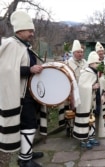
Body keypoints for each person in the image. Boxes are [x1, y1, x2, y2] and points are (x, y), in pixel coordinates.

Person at [0, 10, 44, 167]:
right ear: (19, 30)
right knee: (28, 123)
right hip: (20, 94)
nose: (32, 33)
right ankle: (24, 160)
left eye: (32, 30)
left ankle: (28, 153)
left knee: (31, 123)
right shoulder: (10, 45)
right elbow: (5, 71)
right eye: (29, 30)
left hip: (29, 92)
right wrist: (30, 70)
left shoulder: (23, 46)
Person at [73, 51, 101, 150]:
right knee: (84, 119)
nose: (98, 64)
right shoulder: (86, 73)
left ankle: (91, 137)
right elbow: (82, 87)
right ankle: (83, 139)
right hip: (84, 103)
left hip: (91, 101)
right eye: (97, 63)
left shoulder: (93, 73)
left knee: (91, 118)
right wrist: (92, 86)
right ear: (91, 63)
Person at [58, 39, 87, 134]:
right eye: (78, 52)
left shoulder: (85, 63)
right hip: (71, 92)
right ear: (74, 53)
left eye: (82, 52)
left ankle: (80, 127)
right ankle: (69, 129)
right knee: (70, 110)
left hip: (82, 91)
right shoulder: (67, 63)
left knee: (81, 110)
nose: (80, 54)